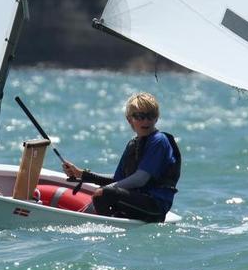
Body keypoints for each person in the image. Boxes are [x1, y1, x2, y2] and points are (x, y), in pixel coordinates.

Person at [61, 92, 181, 222]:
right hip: (137, 202)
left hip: (155, 206)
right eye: (140, 116)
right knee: (103, 193)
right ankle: (89, 221)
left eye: (150, 116)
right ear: (129, 119)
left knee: (103, 194)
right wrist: (83, 175)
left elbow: (140, 179)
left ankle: (104, 227)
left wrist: (106, 190)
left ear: (156, 118)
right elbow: (118, 180)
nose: (146, 120)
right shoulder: (133, 144)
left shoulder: (159, 141)